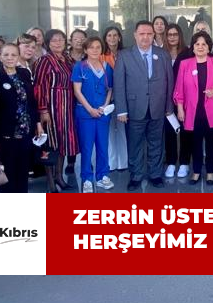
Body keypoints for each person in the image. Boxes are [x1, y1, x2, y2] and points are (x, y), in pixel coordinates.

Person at [114, 20, 175, 191]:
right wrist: (121, 110)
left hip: (158, 107)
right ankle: (136, 176)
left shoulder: (163, 54)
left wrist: (169, 107)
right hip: (134, 108)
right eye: (142, 34)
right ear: (135, 35)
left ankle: (155, 174)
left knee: (156, 143)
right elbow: (119, 84)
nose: (145, 37)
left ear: (154, 35)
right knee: (135, 144)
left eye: (149, 34)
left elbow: (170, 82)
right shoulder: (124, 55)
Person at [174, 32, 213, 185]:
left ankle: (210, 172)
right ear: (193, 47)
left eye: (204, 44)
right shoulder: (185, 64)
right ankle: (196, 171)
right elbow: (179, 88)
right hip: (193, 111)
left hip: (212, 110)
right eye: (197, 44)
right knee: (195, 142)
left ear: (209, 47)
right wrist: (180, 108)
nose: (200, 47)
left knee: (211, 142)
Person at [0, 43, 42, 193]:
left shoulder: (24, 73)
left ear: (18, 56)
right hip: (6, 132)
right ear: (0, 57)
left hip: (25, 130)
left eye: (13, 55)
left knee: (22, 171)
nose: (10, 58)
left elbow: (32, 101)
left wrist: (38, 123)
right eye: (6, 55)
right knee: (7, 172)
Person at [33, 29, 78, 192]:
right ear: (48, 43)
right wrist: (43, 110)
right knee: (50, 144)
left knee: (63, 143)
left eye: (61, 39)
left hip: (67, 107)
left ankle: (59, 176)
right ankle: (51, 182)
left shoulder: (68, 59)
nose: (58, 43)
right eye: (54, 40)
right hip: (52, 107)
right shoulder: (44, 61)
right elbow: (39, 86)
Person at [72, 37, 114, 193]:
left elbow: (110, 89)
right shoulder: (80, 67)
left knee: (103, 146)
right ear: (85, 50)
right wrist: (90, 109)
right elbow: (77, 91)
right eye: (91, 47)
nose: (95, 50)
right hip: (85, 114)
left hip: (102, 114)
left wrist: (104, 106)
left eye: (98, 47)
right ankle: (87, 179)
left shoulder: (107, 67)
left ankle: (103, 176)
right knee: (87, 147)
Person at [164, 24, 193, 178]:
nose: (172, 37)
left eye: (175, 34)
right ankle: (170, 162)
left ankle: (184, 163)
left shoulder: (188, 53)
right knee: (169, 131)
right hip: (166, 98)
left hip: (185, 98)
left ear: (180, 35)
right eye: (169, 34)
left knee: (186, 130)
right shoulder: (161, 53)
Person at [102, 25, 126, 171]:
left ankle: (123, 162)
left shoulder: (125, 54)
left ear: (119, 38)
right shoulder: (101, 56)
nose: (112, 38)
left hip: (124, 97)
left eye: (115, 35)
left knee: (122, 129)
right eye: (109, 35)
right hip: (107, 98)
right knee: (109, 131)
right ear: (105, 38)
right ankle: (111, 162)